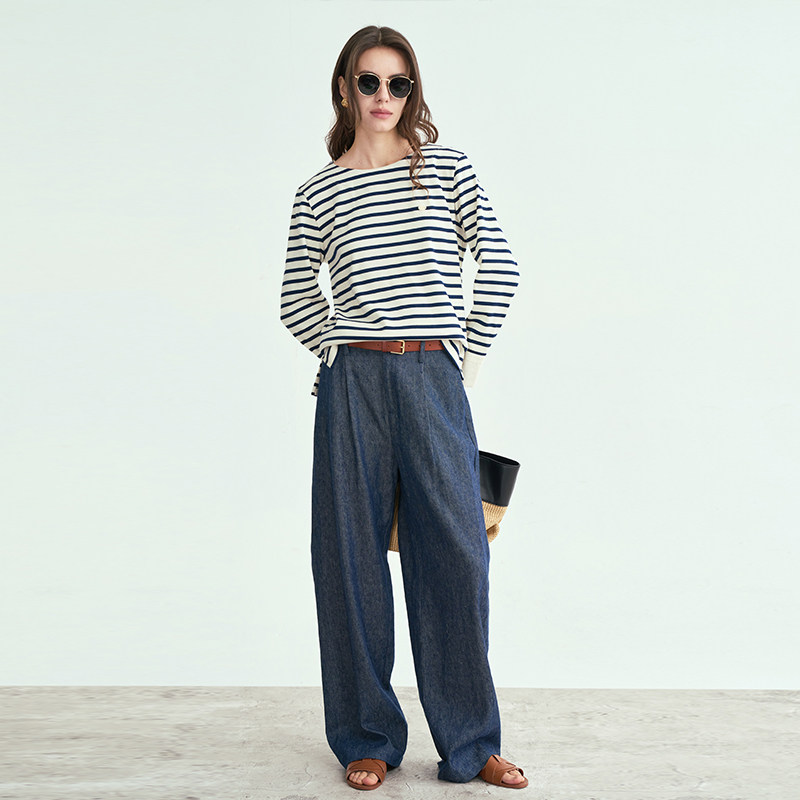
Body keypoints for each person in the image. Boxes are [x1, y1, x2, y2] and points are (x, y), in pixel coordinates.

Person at [280, 24, 527, 791]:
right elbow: (295, 299)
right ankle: (366, 737)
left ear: (412, 90)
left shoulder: (445, 168)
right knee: (348, 558)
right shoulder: (319, 191)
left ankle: (470, 742)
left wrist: (466, 357)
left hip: (432, 375)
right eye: (369, 81)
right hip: (352, 384)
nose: (383, 96)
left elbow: (501, 264)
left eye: (398, 83)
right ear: (344, 88)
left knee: (457, 554)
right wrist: (337, 353)